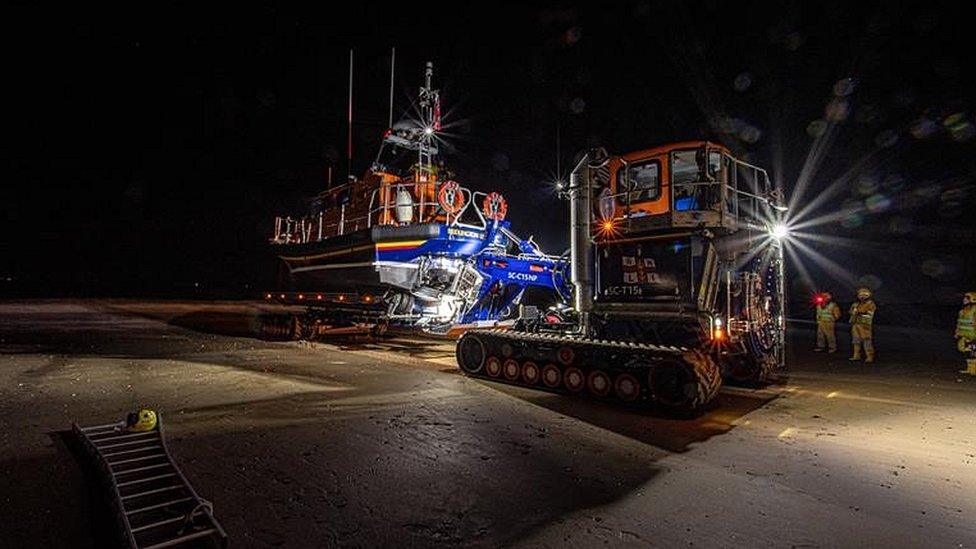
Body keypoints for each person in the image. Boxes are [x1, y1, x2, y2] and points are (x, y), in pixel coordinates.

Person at [849, 287, 877, 363]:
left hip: (865, 325)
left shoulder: (870, 304)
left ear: (868, 295)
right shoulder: (856, 304)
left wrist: (859, 313)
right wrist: (854, 312)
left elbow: (870, 314)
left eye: (864, 295)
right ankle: (856, 356)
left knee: (866, 341)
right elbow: (851, 312)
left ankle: (869, 357)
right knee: (856, 341)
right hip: (856, 324)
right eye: (861, 295)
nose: (862, 297)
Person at [955, 291, 976, 376]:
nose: (964, 300)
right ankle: (970, 369)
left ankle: (973, 370)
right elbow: (959, 322)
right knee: (965, 350)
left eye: (966, 298)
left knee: (973, 353)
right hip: (964, 335)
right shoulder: (962, 311)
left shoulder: (974, 310)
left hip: (973, 335)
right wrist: (957, 332)